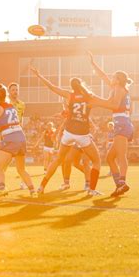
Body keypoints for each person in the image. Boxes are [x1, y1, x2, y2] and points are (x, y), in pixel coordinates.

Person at [30, 65, 102, 196]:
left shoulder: (69, 95)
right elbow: (104, 103)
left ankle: (41, 186)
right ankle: (91, 189)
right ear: (81, 85)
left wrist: (39, 76)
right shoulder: (89, 97)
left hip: (68, 133)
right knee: (96, 161)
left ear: (72, 87)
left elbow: (52, 87)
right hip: (83, 135)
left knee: (58, 160)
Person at [87, 52, 134, 196]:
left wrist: (96, 101)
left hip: (121, 123)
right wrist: (93, 64)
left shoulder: (119, 89)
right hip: (122, 122)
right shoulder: (117, 88)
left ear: (118, 80)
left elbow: (113, 105)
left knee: (121, 156)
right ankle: (119, 184)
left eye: (113, 77)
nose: (111, 78)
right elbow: (103, 76)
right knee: (110, 158)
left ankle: (123, 183)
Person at [7, 82, 29, 189]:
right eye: (13, 90)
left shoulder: (22, 104)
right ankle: (1, 183)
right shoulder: (6, 104)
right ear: (9, 92)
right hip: (8, 136)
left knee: (21, 164)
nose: (15, 91)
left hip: (18, 135)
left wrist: (21, 129)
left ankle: (24, 182)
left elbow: (22, 118)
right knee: (4, 162)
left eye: (16, 89)